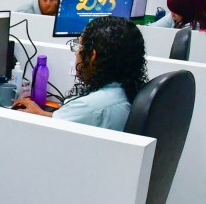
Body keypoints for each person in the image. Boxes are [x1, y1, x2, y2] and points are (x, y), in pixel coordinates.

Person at [14, 16, 147, 131]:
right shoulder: (124, 90)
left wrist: (37, 115)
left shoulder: (89, 106)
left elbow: (50, 132)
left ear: (93, 56)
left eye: (79, 46)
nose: (76, 53)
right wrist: (41, 113)